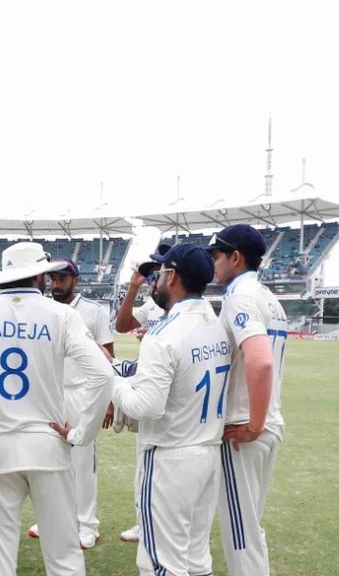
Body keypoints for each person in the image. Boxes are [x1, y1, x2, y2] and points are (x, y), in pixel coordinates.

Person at [0, 241, 113, 576]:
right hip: (48, 446)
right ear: (39, 275)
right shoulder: (63, 315)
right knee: (64, 556)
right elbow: (103, 375)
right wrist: (81, 433)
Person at [112, 243, 230, 576]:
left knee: (161, 565)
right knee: (196, 560)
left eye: (160, 273)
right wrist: (120, 368)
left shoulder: (162, 334)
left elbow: (145, 406)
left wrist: (114, 385)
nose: (156, 281)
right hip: (207, 452)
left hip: (169, 457)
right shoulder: (216, 323)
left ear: (173, 276)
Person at [207, 224, 288, 576]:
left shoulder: (240, 296)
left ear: (235, 257)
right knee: (251, 527)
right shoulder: (269, 296)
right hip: (269, 424)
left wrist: (253, 424)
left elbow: (261, 359)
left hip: (245, 429)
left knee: (241, 536)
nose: (212, 263)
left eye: (216, 255)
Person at [25, 258, 113, 548]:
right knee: (50, 459)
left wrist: (108, 402)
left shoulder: (93, 310)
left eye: (63, 279)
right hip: (49, 393)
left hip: (82, 393)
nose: (56, 284)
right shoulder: (45, 310)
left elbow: (107, 358)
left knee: (82, 460)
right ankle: (57, 518)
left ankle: (88, 524)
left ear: (75, 279)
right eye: (53, 279)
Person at [112, 242, 170, 544]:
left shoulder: (184, 308)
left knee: (165, 463)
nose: (153, 279)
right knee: (145, 462)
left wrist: (156, 337)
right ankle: (144, 520)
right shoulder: (152, 305)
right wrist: (133, 288)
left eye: (158, 271)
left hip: (172, 394)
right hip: (151, 386)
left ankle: (159, 524)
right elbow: (122, 326)